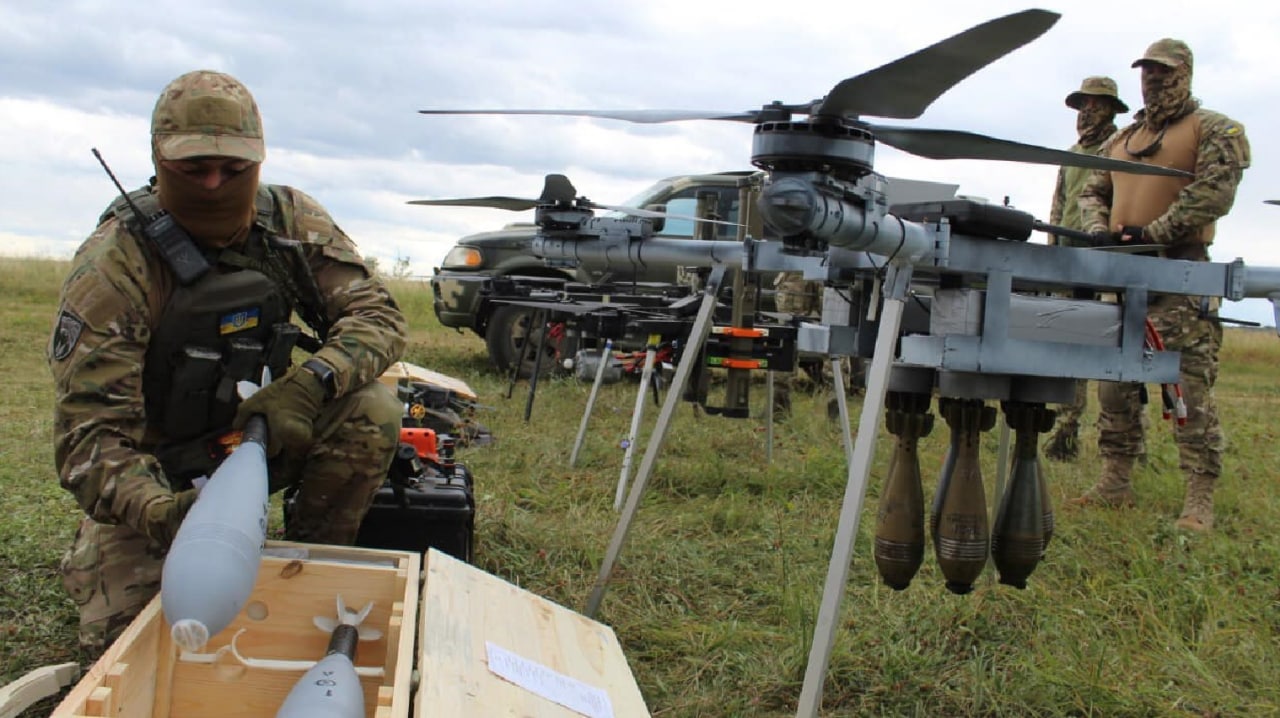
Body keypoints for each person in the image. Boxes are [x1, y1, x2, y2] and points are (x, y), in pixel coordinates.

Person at [48, 69, 408, 654]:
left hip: (256, 436)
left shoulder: (288, 223)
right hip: (160, 470)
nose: (215, 183)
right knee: (140, 645)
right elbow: (90, 442)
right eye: (194, 169)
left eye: (234, 169)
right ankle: (119, 552)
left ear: (258, 161)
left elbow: (379, 317)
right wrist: (163, 512)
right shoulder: (114, 269)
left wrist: (310, 383)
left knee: (370, 410)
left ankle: (308, 561)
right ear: (159, 160)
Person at [1074, 39, 1250, 531]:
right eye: (1147, 72)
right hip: (1124, 279)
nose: (1153, 80)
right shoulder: (1123, 140)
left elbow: (1215, 191)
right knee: (1114, 386)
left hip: (1180, 276)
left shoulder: (1214, 129)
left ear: (1185, 73)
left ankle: (1199, 498)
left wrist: (1155, 232)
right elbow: (1093, 189)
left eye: (1163, 72)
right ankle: (1116, 480)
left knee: (1187, 389)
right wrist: (1096, 228)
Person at [1042, 76, 1129, 462]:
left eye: (1095, 104)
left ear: (1111, 109)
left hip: (1106, 260)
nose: (1087, 112)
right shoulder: (1071, 154)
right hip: (1070, 262)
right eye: (1082, 105)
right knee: (1067, 344)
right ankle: (1066, 427)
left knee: (1114, 345)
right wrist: (1051, 255)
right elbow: (1058, 207)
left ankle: (1123, 432)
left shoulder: (1121, 148)